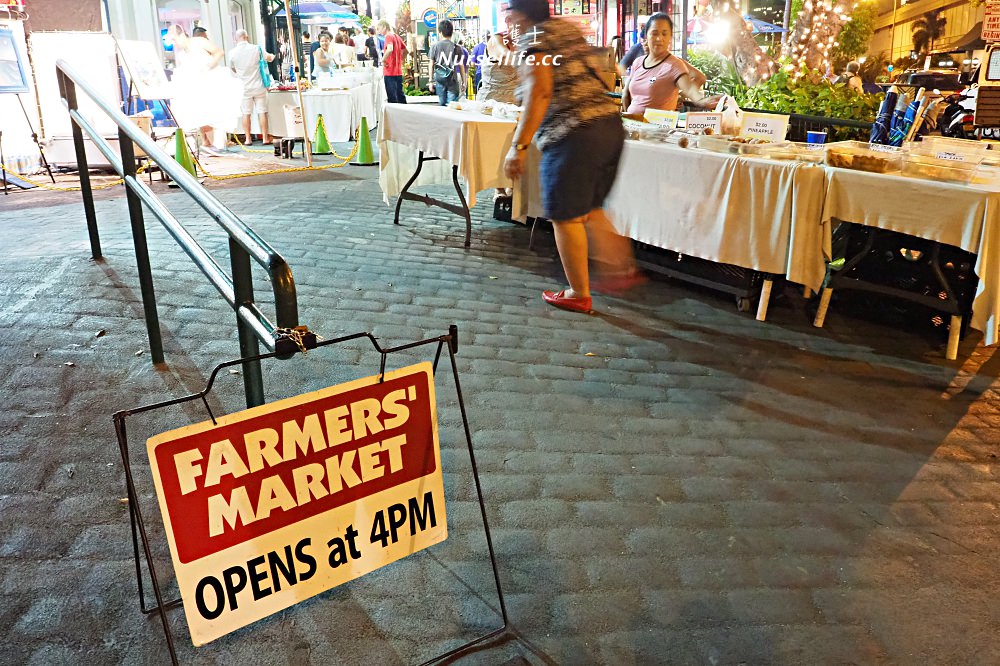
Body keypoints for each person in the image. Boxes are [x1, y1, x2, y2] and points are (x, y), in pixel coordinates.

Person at [502, 0, 641, 314]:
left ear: (518, 13)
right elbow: (604, 75)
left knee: (564, 215)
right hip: (608, 125)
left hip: (573, 132)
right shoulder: (565, 29)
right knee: (590, 207)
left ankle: (578, 292)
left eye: (508, 11)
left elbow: (540, 90)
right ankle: (619, 269)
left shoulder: (534, 39)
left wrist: (518, 146)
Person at [622, 13, 720, 117]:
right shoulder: (638, 62)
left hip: (656, 131)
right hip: (632, 127)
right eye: (655, 33)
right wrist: (628, 119)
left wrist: (702, 101)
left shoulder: (675, 65)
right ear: (646, 35)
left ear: (670, 37)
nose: (659, 39)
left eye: (664, 34)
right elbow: (625, 95)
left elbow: (690, 89)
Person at [167, 25, 241, 151]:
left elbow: (219, 52)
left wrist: (209, 66)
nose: (175, 43)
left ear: (181, 35)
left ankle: (217, 144)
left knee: (216, 114)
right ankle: (207, 143)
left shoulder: (199, 42)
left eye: (174, 40)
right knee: (200, 114)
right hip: (197, 86)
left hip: (212, 81)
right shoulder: (182, 55)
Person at [229, 29, 275, 145]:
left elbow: (233, 68)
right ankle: (265, 138)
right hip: (259, 86)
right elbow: (269, 58)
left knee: (246, 113)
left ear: (236, 39)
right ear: (247, 36)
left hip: (244, 88)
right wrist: (273, 55)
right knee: (262, 112)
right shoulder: (256, 48)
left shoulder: (232, 53)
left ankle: (248, 139)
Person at [429, 19, 464, 106]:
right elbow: (461, 65)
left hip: (440, 81)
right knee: (452, 108)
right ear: (452, 33)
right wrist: (464, 82)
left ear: (440, 32)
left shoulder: (434, 46)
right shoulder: (457, 48)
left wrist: (430, 81)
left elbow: (431, 64)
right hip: (453, 81)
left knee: (442, 108)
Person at [378, 20, 407, 104]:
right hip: (398, 71)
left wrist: (383, 60)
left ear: (384, 27)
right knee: (400, 95)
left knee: (392, 97)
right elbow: (405, 50)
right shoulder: (396, 36)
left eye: (379, 29)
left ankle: (394, 116)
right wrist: (401, 60)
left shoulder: (388, 36)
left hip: (390, 71)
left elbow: (390, 49)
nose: (379, 31)